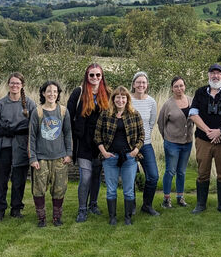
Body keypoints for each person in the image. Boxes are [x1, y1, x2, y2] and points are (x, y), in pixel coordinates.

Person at [189, 64, 221, 215]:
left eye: (218, 73)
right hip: (204, 139)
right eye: (213, 73)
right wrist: (209, 131)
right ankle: (200, 204)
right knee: (203, 172)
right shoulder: (200, 92)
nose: (215, 76)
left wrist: (220, 131)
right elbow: (193, 114)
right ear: (208, 75)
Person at [94, 86, 144, 225]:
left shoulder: (134, 114)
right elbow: (97, 135)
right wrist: (103, 152)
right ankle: (113, 217)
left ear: (127, 99)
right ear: (113, 99)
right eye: (118, 97)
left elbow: (142, 135)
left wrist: (135, 150)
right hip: (110, 157)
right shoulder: (105, 114)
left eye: (123, 97)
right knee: (111, 190)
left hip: (129, 157)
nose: (120, 100)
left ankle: (128, 217)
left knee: (128, 190)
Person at [67, 63, 111, 222]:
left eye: (98, 75)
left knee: (96, 175)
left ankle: (93, 204)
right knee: (85, 177)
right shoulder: (78, 93)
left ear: (102, 76)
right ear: (87, 76)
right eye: (91, 75)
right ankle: (82, 209)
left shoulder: (108, 93)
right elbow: (68, 117)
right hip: (83, 141)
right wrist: (71, 140)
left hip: (100, 142)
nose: (94, 78)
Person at [29, 81, 72, 227]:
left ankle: (56, 218)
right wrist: (33, 158)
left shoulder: (63, 111)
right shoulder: (37, 112)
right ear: (43, 93)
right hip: (41, 159)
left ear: (58, 93)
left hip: (60, 158)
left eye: (55, 91)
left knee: (59, 189)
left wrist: (69, 153)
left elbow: (68, 134)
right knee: (39, 189)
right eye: (48, 91)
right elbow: (32, 137)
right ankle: (41, 218)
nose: (52, 94)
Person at [0, 73, 36, 222]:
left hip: (21, 146)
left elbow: (34, 126)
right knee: (1, 178)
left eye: (17, 83)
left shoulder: (30, 104)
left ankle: (16, 208)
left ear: (22, 85)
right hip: (4, 145)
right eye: (12, 83)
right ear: (8, 84)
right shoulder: (0, 104)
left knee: (19, 179)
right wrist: (3, 130)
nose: (14, 86)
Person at [157, 76, 194, 208]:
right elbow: (161, 122)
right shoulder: (168, 104)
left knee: (182, 171)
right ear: (172, 89)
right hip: (172, 143)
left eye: (181, 85)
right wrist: (166, 137)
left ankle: (180, 197)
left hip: (187, 142)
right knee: (170, 171)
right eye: (176, 86)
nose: (179, 88)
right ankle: (166, 199)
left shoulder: (191, 100)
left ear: (185, 86)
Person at [131, 72, 160, 216]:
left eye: (144, 82)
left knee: (153, 176)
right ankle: (131, 205)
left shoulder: (151, 102)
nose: (141, 85)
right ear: (133, 84)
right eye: (138, 82)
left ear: (147, 85)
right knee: (130, 177)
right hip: (129, 146)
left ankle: (147, 205)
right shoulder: (127, 100)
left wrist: (143, 138)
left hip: (146, 144)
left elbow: (151, 123)